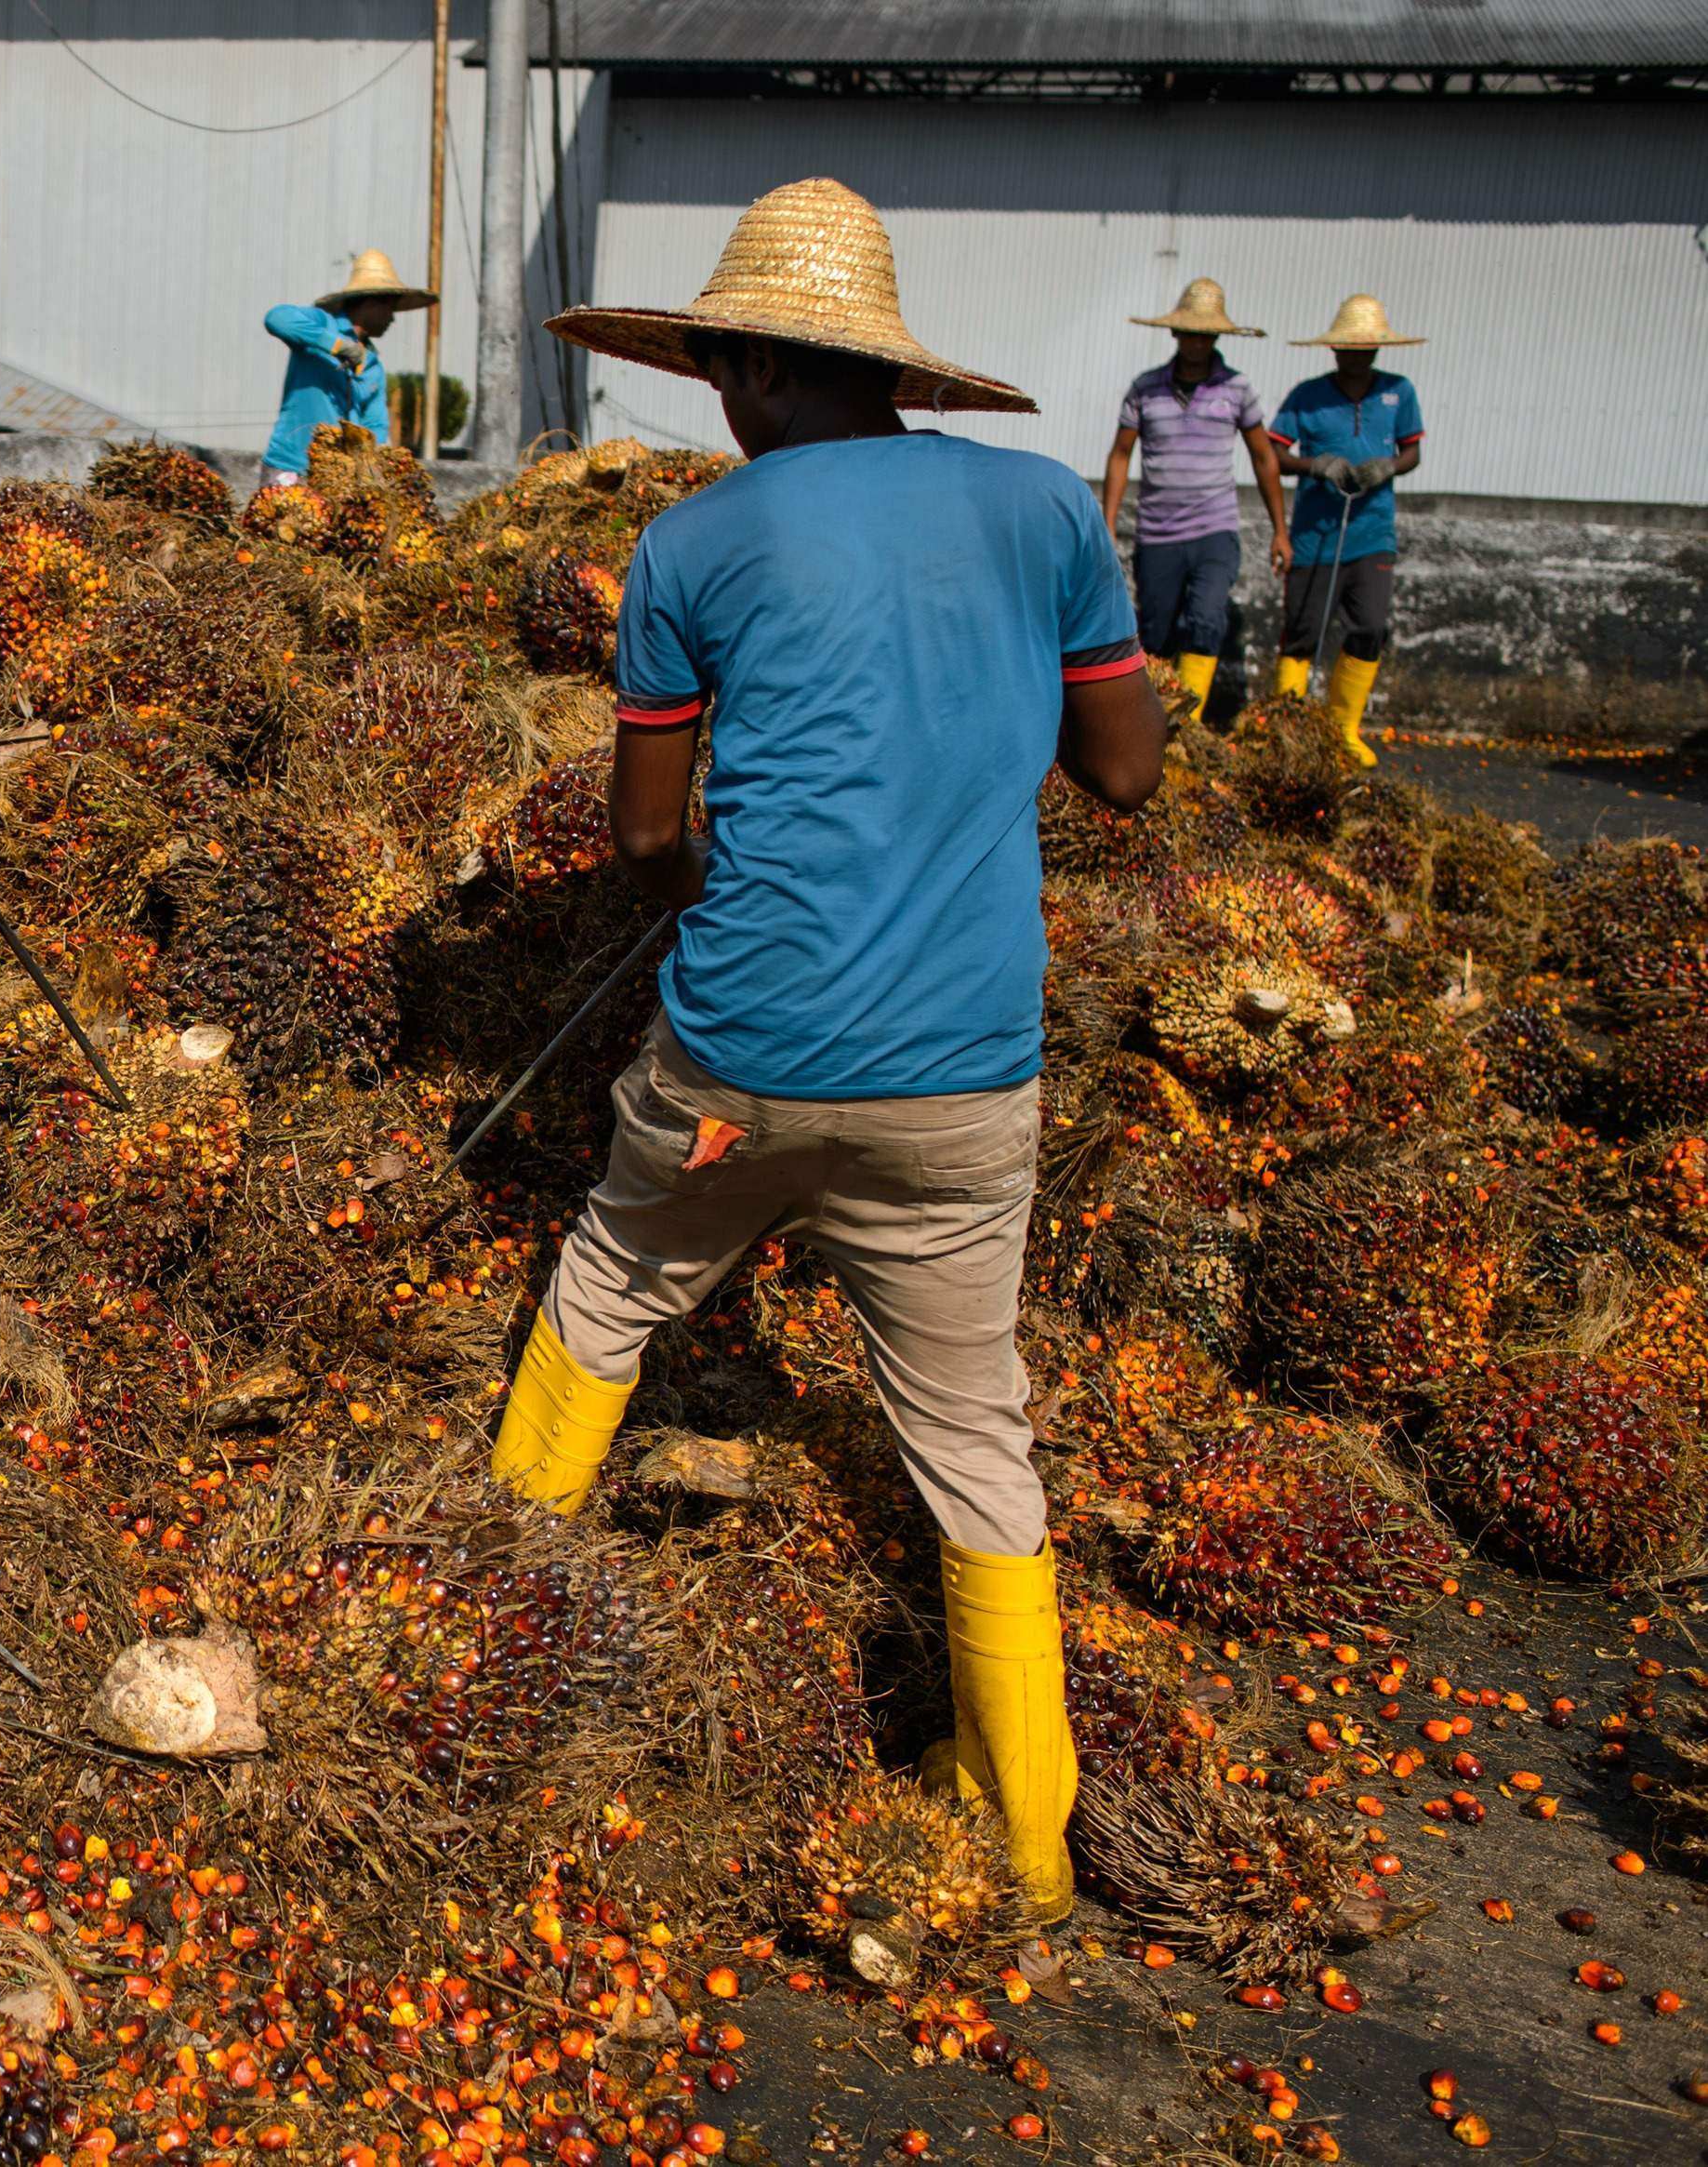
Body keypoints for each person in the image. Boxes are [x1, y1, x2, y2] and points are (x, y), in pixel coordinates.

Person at [516, 179, 1170, 1924]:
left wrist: (745, 854)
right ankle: (1029, 1838)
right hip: (962, 1080)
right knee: (973, 1427)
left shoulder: (696, 544)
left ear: (741, 366)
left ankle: (472, 1645)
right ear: (890, 369)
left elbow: (649, 841)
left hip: (738, 1061)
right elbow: (1127, 775)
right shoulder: (1045, 513)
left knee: (609, 1289)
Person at [1100, 278, 1289, 709]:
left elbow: (1264, 457)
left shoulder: (1236, 388)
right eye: (1190, 333)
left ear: (1217, 336)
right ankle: (1156, 723)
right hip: (1158, 533)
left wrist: (1281, 530)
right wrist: (1108, 525)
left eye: (1206, 335)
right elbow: (1120, 455)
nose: (1197, 343)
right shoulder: (1145, 388)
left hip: (1213, 529)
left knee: (1205, 620)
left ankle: (1191, 725)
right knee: (1158, 632)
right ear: (1175, 333)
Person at [1268, 296, 1426, 768]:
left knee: (1370, 627)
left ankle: (1343, 729)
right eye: (1348, 347)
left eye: (1366, 347)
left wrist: (1388, 467)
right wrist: (1314, 465)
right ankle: (1285, 728)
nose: (1357, 355)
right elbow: (1273, 452)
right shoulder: (1307, 396)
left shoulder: (1399, 391)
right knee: (1302, 629)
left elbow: (1413, 452)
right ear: (1334, 348)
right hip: (1317, 535)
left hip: (1372, 534)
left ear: (1379, 349)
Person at [258, 248, 432, 488]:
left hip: (338, 480)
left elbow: (375, 428)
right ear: (371, 302)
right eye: (390, 309)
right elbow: (277, 318)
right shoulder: (322, 323)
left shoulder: (373, 367)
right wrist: (336, 345)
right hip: (292, 467)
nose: (392, 319)